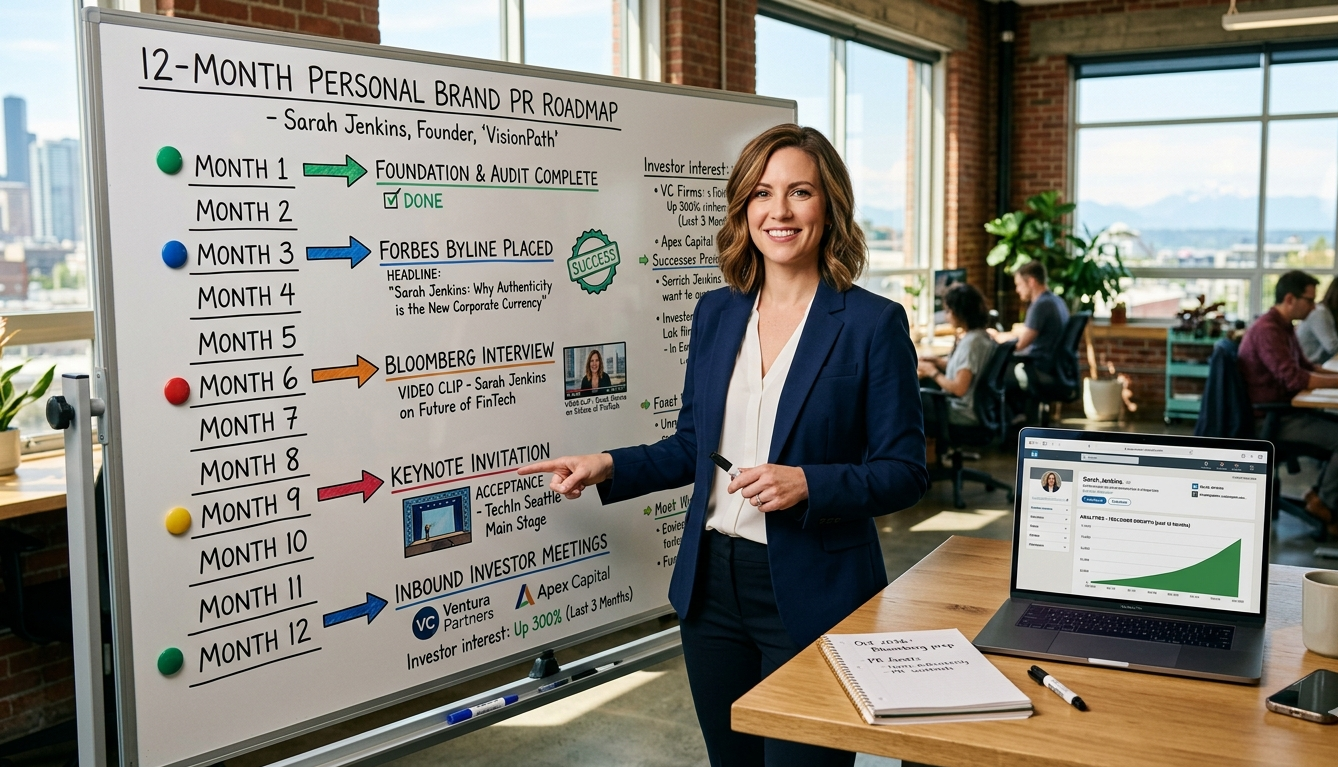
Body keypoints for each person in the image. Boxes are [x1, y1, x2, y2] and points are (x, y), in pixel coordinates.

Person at [519, 125, 927, 767]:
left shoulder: (872, 324)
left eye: (800, 192)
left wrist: (810, 483)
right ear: (744, 209)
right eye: (763, 194)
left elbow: (905, 471)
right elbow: (693, 445)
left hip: (815, 591)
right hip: (712, 590)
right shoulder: (716, 312)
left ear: (829, 206)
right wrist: (607, 466)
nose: (780, 211)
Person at [1238, 270, 1338, 536]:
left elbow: (1307, 366)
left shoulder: (1284, 326)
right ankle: (1325, 505)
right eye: (1309, 300)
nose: (1314, 306)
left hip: (1284, 413)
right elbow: (1294, 379)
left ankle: (1319, 497)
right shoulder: (1268, 330)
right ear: (1290, 298)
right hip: (1271, 420)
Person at [991, 261, 1070, 417]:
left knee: (993, 375)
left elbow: (1020, 344)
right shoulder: (1055, 300)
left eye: (1019, 284)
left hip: (1039, 367)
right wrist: (1005, 335)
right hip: (1053, 367)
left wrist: (997, 339)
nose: (1017, 290)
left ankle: (1006, 424)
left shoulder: (1040, 305)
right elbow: (1028, 333)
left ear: (1031, 282)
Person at [917, 282, 997, 426]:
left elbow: (959, 388)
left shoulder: (971, 344)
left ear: (960, 312)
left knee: (910, 403)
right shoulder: (980, 336)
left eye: (948, 311)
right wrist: (937, 361)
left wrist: (932, 371)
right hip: (976, 409)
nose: (946, 316)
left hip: (961, 412)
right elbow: (965, 370)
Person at [1297, 279, 1338, 365]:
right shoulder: (1320, 313)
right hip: (1307, 368)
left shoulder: (1327, 313)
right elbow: (1332, 347)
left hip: (1316, 367)